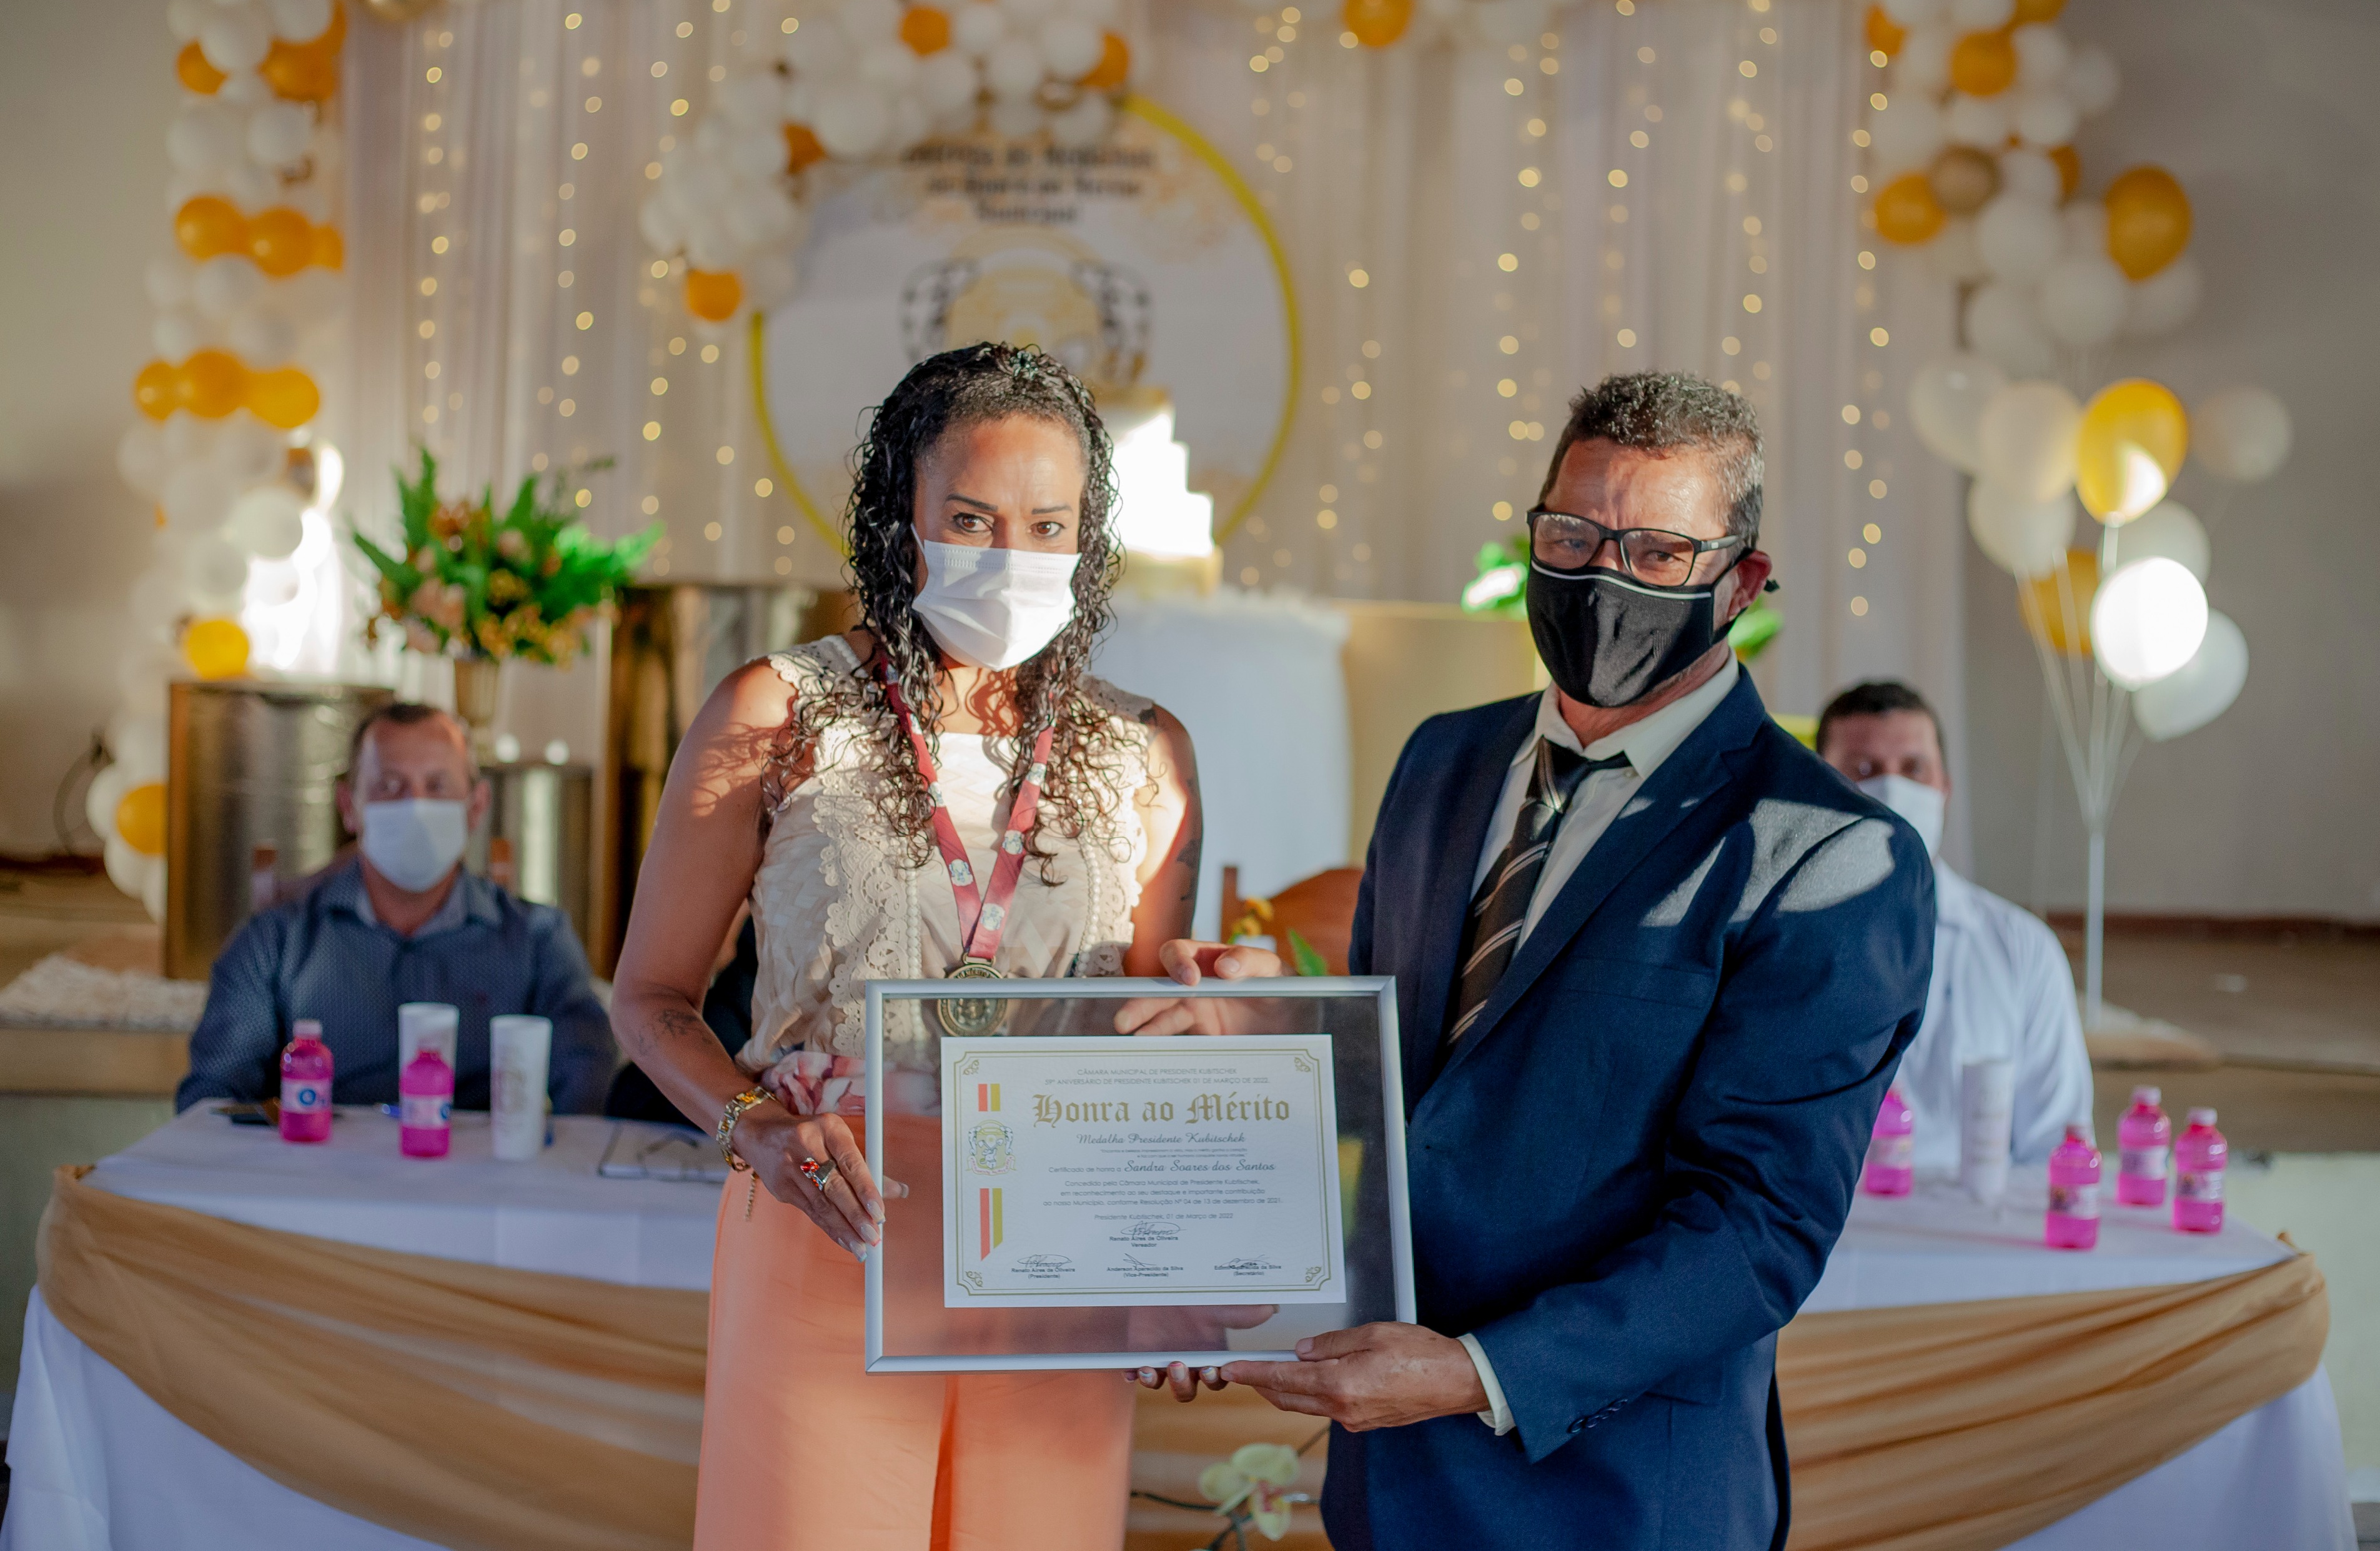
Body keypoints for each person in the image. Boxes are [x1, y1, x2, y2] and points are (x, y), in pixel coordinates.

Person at [1148, 372, 1935, 1551]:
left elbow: (1756, 1228)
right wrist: (1279, 1038)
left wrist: (1474, 1372)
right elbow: (1406, 1088)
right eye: (1571, 536)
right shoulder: (1440, 762)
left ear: (1741, 583)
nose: (1603, 578)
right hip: (1386, 1479)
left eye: (1658, 553)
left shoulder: (1825, 851)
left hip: (1613, 1490)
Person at [608, 344, 1207, 1551]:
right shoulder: (777, 711)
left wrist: (1183, 1258)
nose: (1011, 555)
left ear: (1088, 542)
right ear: (901, 517)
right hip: (830, 1218)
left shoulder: (1146, 750)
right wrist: (753, 1129)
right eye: (971, 519)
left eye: (1048, 526)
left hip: (1057, 1245)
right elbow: (652, 997)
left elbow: (1155, 1049)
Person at [177, 701, 616, 1114]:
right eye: (390, 786)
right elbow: (212, 1103)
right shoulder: (274, 942)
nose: (416, 806)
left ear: (476, 807)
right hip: (321, 1164)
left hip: (476, 1167)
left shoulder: (538, 940)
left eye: (437, 785)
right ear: (349, 806)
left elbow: (589, 1097)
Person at [1816, 680, 2091, 1170]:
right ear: (1819, 785)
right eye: (1864, 770)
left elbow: (2056, 1146)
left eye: (1914, 769)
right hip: (1831, 1217)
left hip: (1979, 1213)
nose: (1893, 790)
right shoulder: (1775, 943)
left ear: (1944, 786)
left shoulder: (2022, 948)